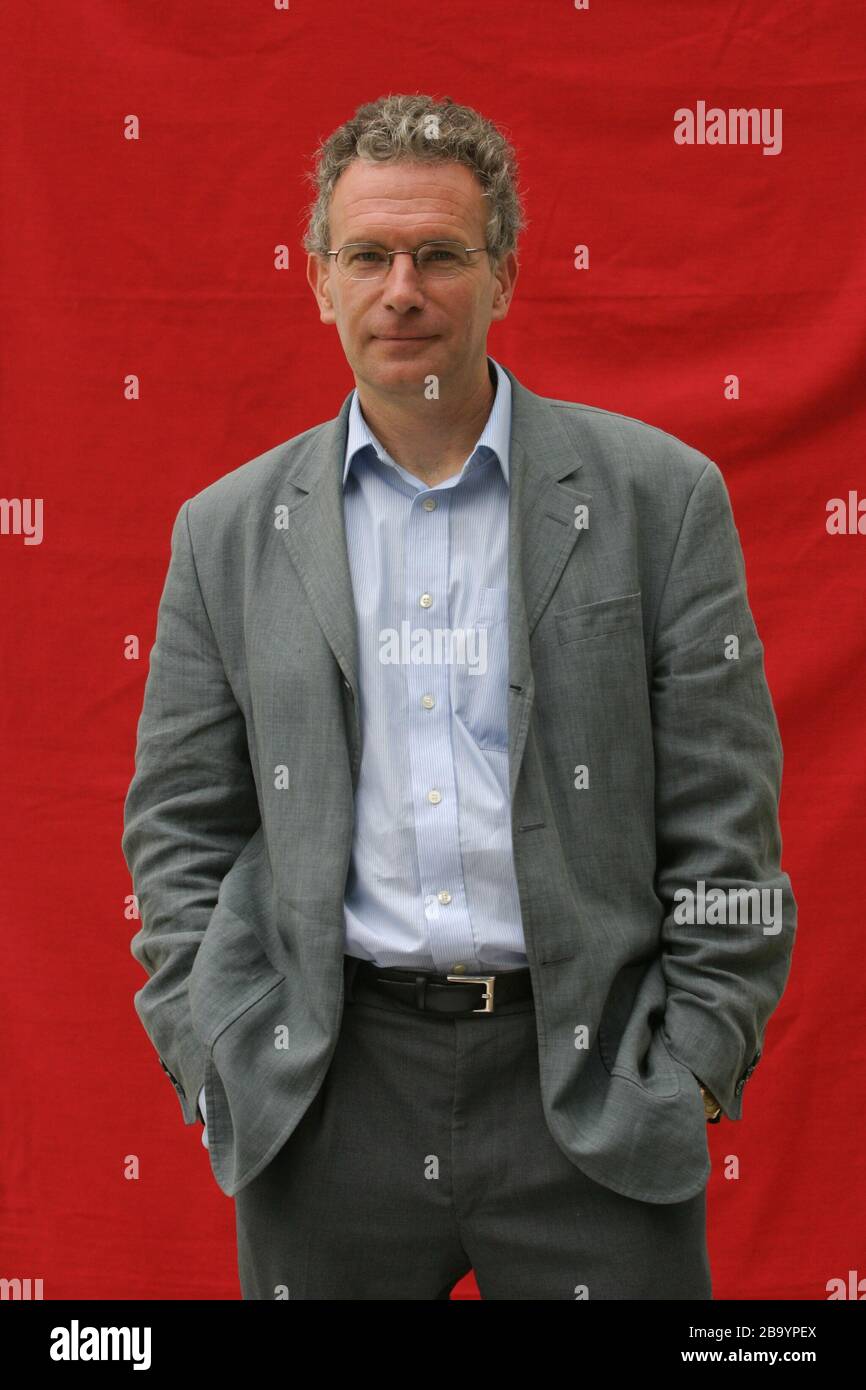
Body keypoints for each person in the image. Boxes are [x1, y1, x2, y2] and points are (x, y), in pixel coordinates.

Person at [122, 93, 797, 1300]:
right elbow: (176, 824)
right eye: (368, 256)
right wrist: (212, 1043)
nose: (402, 289)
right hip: (326, 1094)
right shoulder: (223, 532)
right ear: (317, 281)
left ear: (504, 275)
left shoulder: (657, 499)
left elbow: (725, 810)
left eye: (440, 254)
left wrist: (696, 1054)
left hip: (592, 1085)